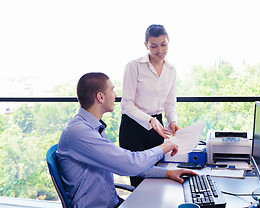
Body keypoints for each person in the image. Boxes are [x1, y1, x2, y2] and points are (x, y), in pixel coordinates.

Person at [56, 72, 196, 208]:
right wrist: (163, 148)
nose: (116, 95)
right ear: (100, 97)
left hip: (115, 203)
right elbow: (131, 164)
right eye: (112, 90)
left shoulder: (92, 127)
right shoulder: (79, 132)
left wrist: (167, 173)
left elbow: (123, 163)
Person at [119, 24, 180, 186]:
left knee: (159, 177)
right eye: (154, 46)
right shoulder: (134, 66)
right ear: (146, 45)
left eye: (163, 44)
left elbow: (170, 102)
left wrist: (172, 121)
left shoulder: (171, 70)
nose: (159, 50)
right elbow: (126, 104)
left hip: (157, 128)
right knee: (139, 181)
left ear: (169, 42)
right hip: (133, 128)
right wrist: (150, 120)